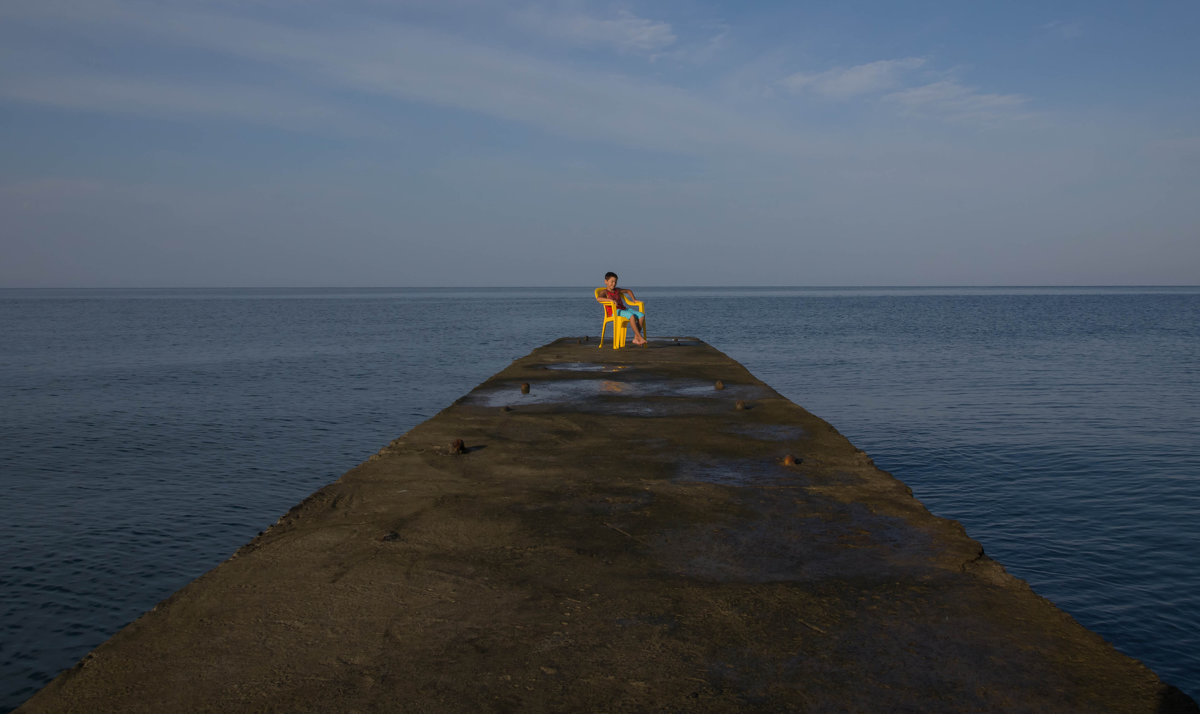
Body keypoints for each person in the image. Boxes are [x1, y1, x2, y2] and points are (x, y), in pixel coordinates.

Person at [597, 271, 646, 346]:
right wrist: (610, 300)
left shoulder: (617, 290)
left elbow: (628, 291)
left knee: (641, 315)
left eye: (615, 282)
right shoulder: (605, 292)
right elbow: (598, 298)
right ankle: (640, 337)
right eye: (612, 281)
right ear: (606, 281)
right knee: (631, 316)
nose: (614, 284)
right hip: (614, 312)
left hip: (623, 309)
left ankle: (636, 338)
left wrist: (634, 300)